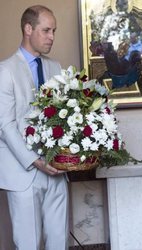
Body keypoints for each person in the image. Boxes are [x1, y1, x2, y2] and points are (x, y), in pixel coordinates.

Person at [0, 5, 69, 250]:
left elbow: (65, 116)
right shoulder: (5, 70)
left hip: (58, 171)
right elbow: (5, 126)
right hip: (23, 172)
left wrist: (65, 157)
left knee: (59, 242)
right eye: (46, 30)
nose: (52, 37)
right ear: (28, 29)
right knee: (28, 245)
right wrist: (36, 161)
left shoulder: (55, 67)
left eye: (54, 31)